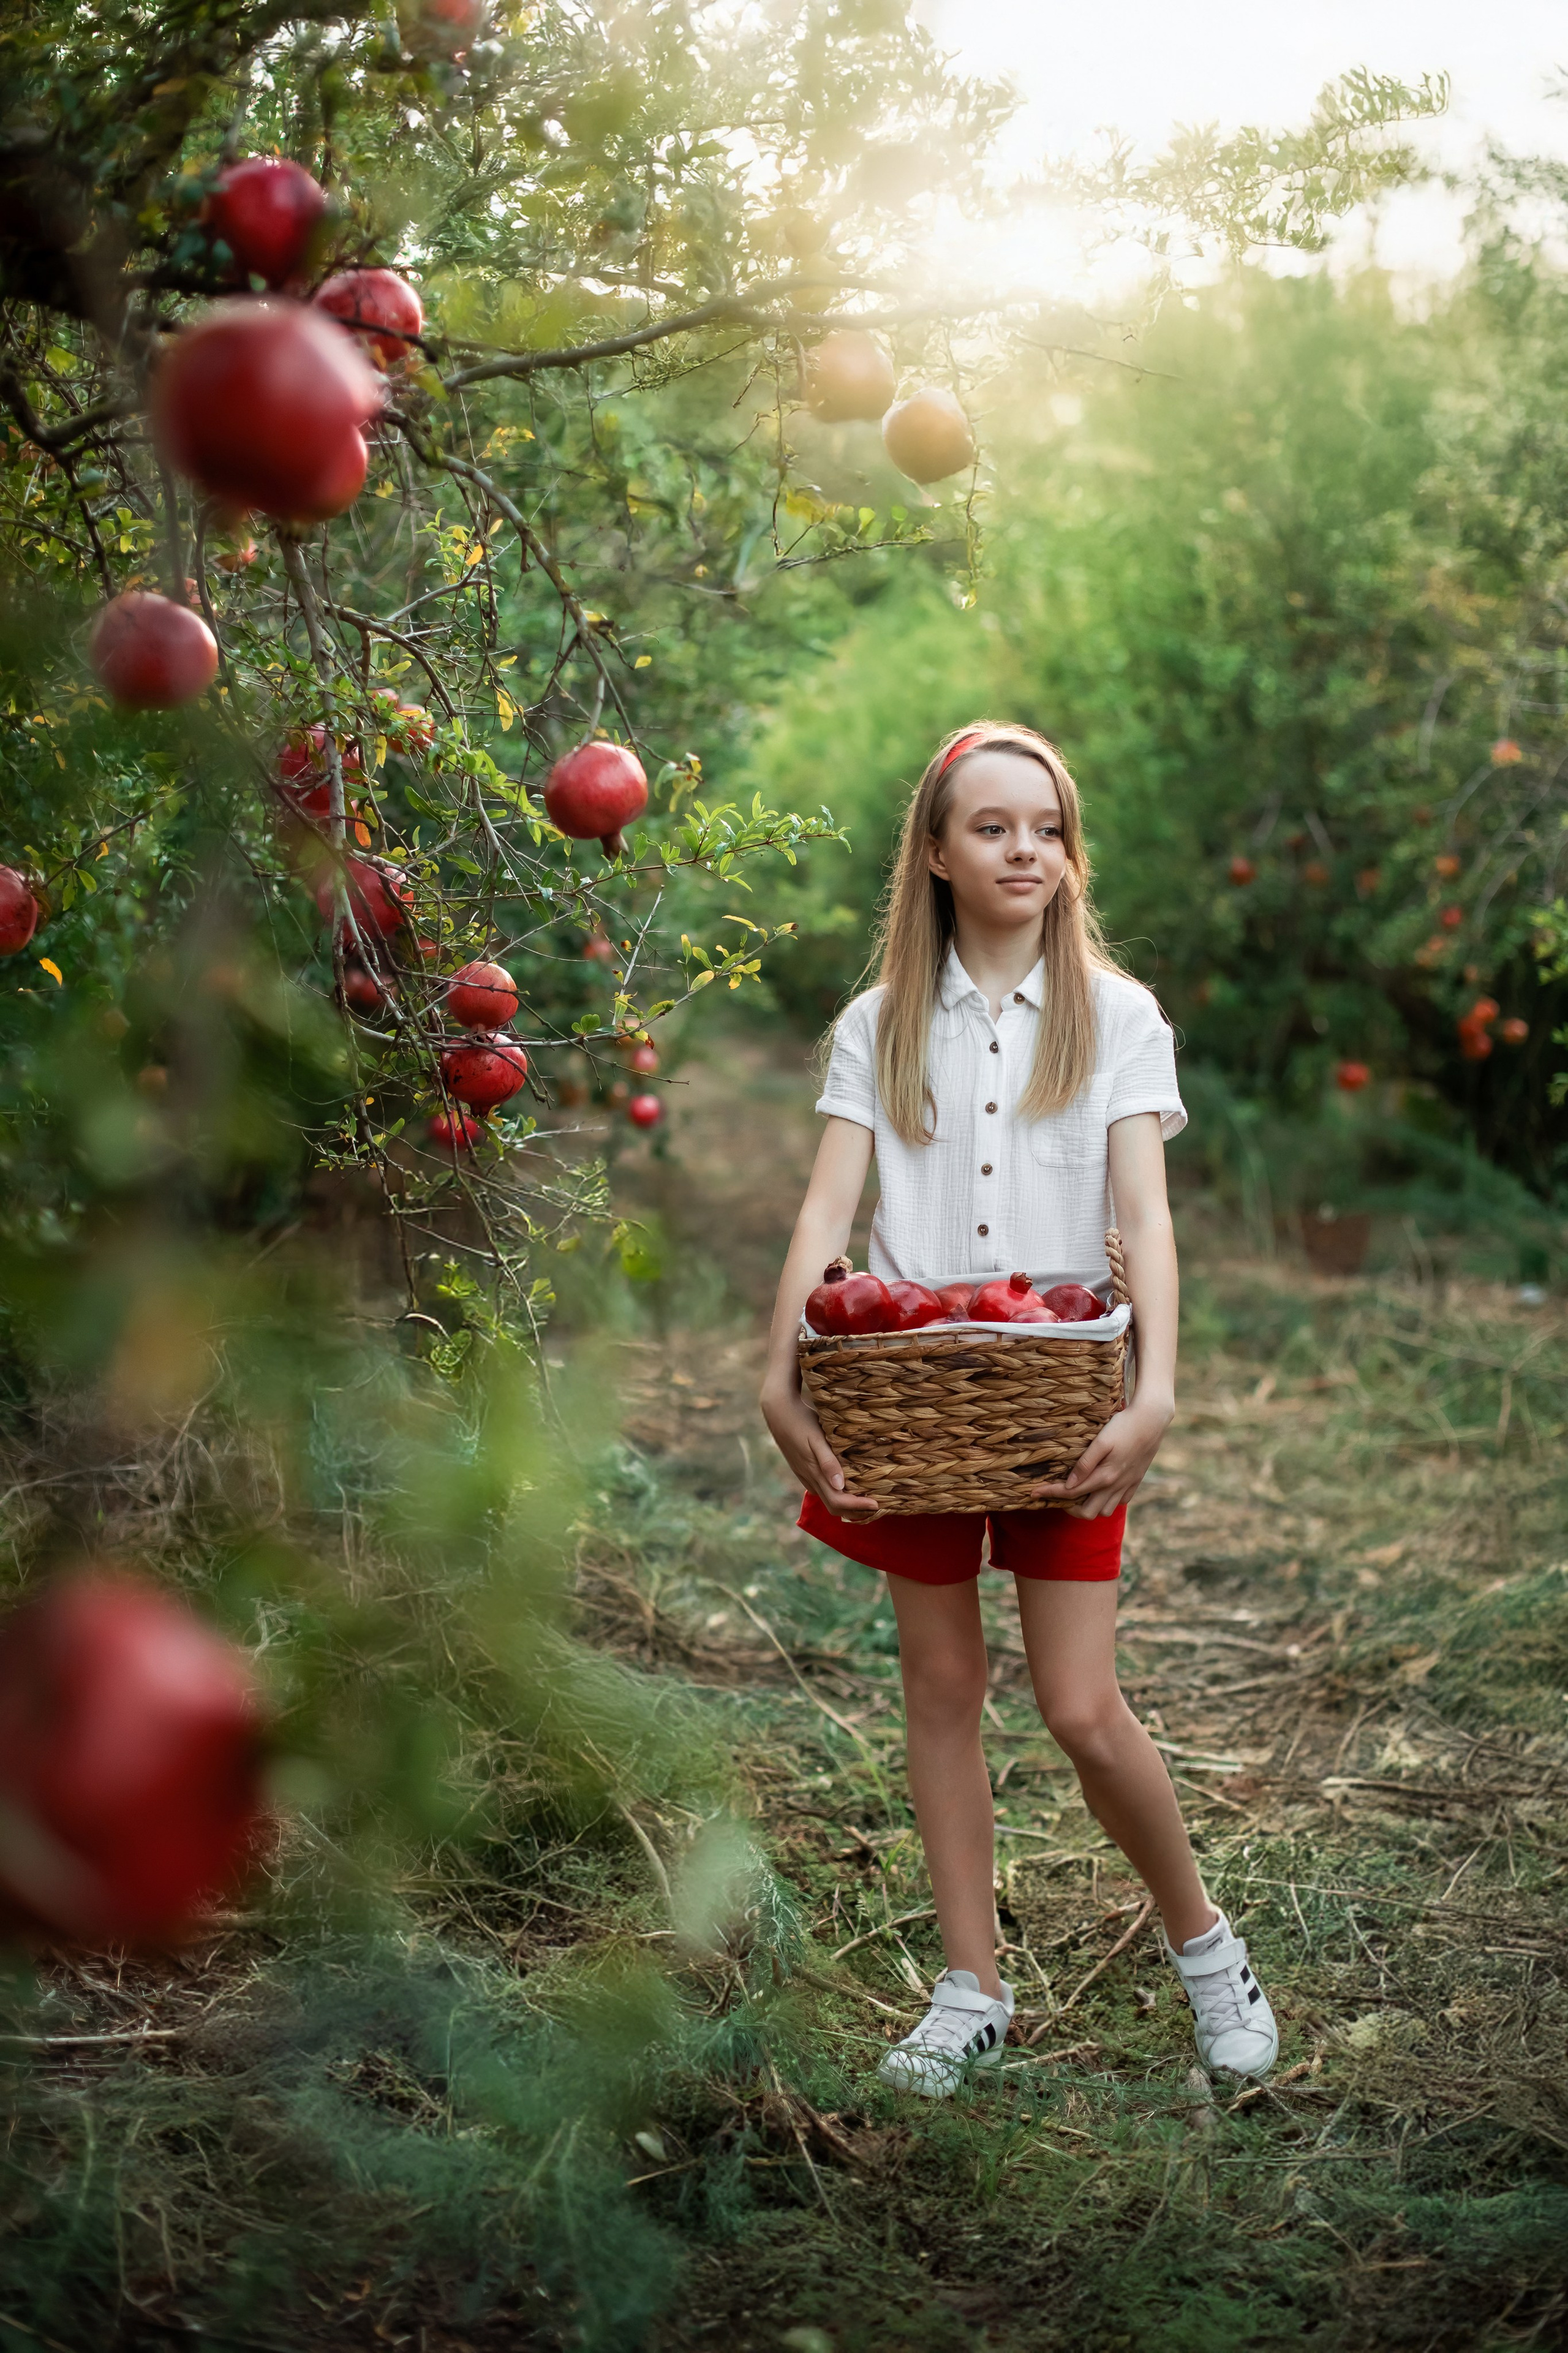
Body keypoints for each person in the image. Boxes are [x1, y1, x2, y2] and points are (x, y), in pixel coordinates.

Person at [760, 722, 1277, 2098]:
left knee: (1078, 1703)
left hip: (1057, 1402)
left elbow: (1142, 1223)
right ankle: (970, 1985)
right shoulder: (877, 1026)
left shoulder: (1116, 1015)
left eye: (1045, 827)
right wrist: (777, 1370)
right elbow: (826, 1208)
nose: (1024, 850)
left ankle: (1206, 1948)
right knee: (938, 1688)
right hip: (912, 1395)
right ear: (934, 852)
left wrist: (1154, 1387)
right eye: (991, 827)